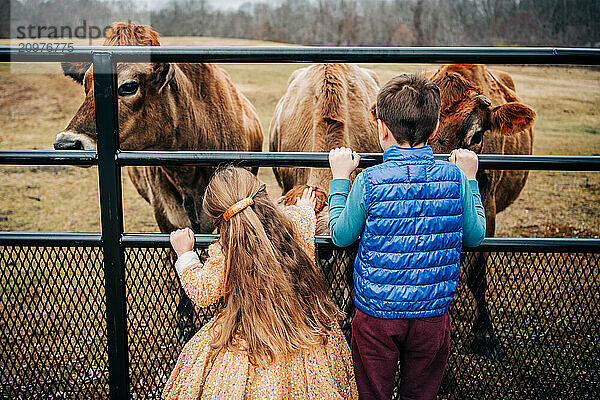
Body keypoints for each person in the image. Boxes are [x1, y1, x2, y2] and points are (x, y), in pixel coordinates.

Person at [327, 74, 486, 400]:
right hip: (432, 315)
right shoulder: (454, 178)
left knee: (373, 391)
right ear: (434, 130)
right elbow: (475, 235)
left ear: (382, 128)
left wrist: (341, 179)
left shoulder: (369, 180)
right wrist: (470, 180)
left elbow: (341, 236)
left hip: (376, 315)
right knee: (420, 393)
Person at [163, 166, 358, 400]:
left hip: (247, 338)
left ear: (217, 217)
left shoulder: (225, 252)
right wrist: (306, 209)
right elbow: (303, 222)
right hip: (300, 333)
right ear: (264, 195)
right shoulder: (294, 226)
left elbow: (202, 292)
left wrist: (185, 255)